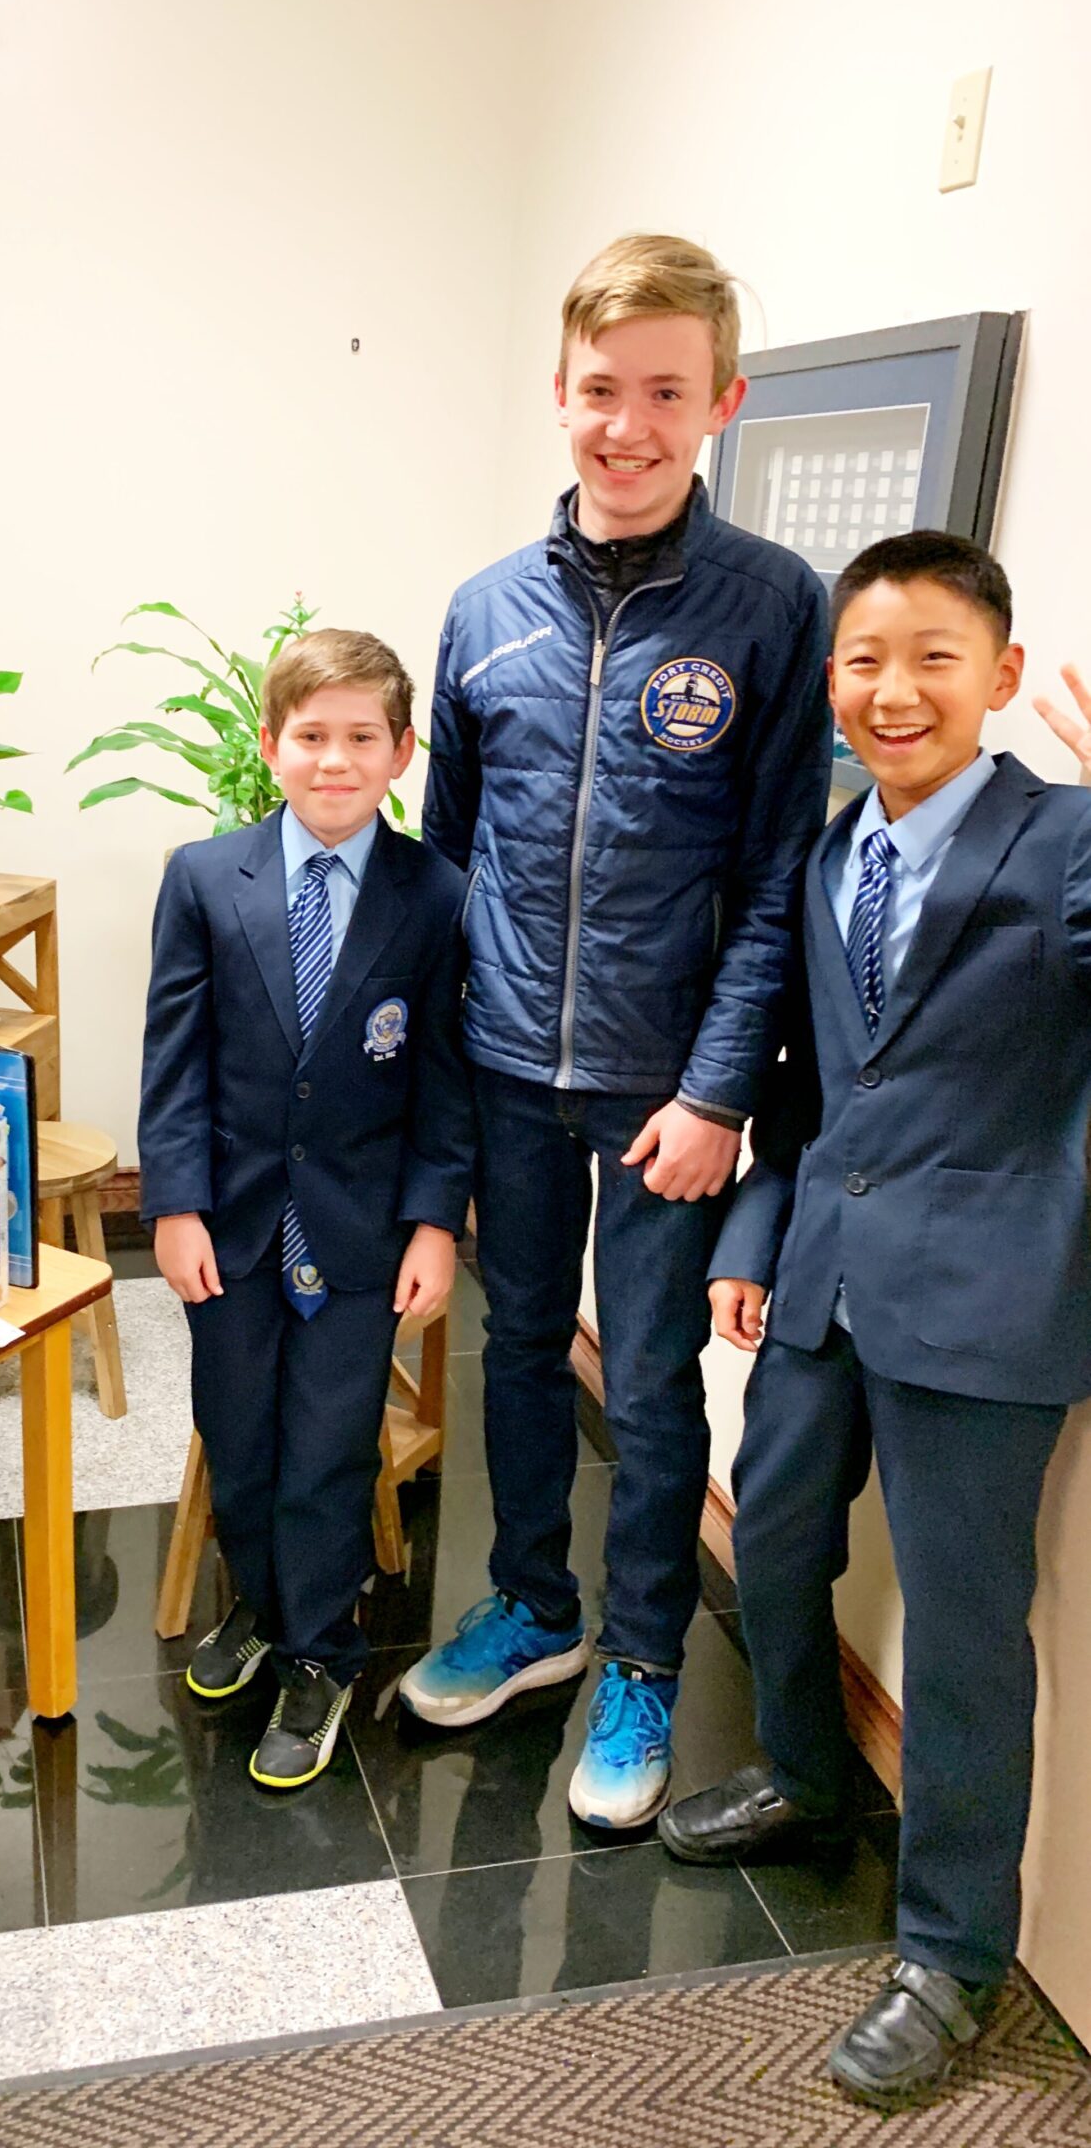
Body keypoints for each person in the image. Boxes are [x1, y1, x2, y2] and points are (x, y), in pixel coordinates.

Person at [402, 233, 831, 1830]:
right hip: (507, 1067)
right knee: (519, 1350)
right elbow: (445, 870)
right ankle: (534, 1604)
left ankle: (643, 1655)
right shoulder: (484, 612)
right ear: (559, 392)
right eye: (601, 389)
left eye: (664, 392)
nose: (627, 426)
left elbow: (781, 882)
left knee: (646, 1384)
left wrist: (723, 1091)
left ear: (720, 399)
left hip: (671, 1092)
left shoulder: (776, 609)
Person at [660, 533, 1091, 2109]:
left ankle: (953, 1953)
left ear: (1002, 676)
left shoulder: (1067, 840)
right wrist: (759, 1229)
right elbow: (812, 1092)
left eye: (933, 657)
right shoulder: (838, 850)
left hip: (989, 1298)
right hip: (826, 1271)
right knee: (771, 1536)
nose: (893, 690)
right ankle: (805, 1776)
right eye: (865, 659)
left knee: (972, 1639)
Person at [139, 629, 474, 1789]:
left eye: (361, 739)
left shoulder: (435, 896)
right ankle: (264, 1609)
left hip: (362, 1229)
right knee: (240, 1436)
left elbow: (442, 1073)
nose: (335, 761)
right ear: (273, 745)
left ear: (400, 753)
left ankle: (322, 1654)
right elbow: (172, 1061)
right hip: (227, 1223)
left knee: (329, 1448)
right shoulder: (202, 877)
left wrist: (435, 1220)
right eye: (311, 736)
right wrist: (173, 1206)